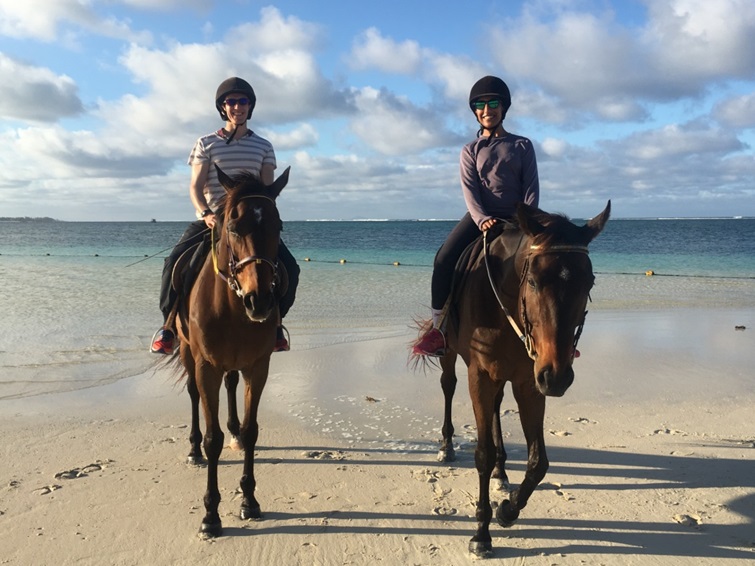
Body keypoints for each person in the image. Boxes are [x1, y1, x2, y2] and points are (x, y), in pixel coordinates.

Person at [150, 76, 299, 355]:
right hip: (215, 219)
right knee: (174, 262)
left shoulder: (263, 146)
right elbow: (195, 187)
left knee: (290, 267)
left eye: (243, 102)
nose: (237, 107)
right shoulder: (206, 143)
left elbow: (267, 191)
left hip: (248, 223)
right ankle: (168, 327)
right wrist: (205, 213)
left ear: (250, 107)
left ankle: (276, 325)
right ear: (223, 108)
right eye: (231, 102)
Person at [412, 75, 540, 356]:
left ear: (503, 107)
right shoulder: (470, 150)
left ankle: (555, 337)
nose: (487, 109)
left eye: (493, 103)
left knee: (552, 265)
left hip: (519, 220)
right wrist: (482, 219)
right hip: (481, 217)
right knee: (443, 259)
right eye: (480, 105)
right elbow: (470, 190)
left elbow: (531, 187)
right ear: (474, 111)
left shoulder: (522, 145)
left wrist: (529, 222)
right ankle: (439, 330)